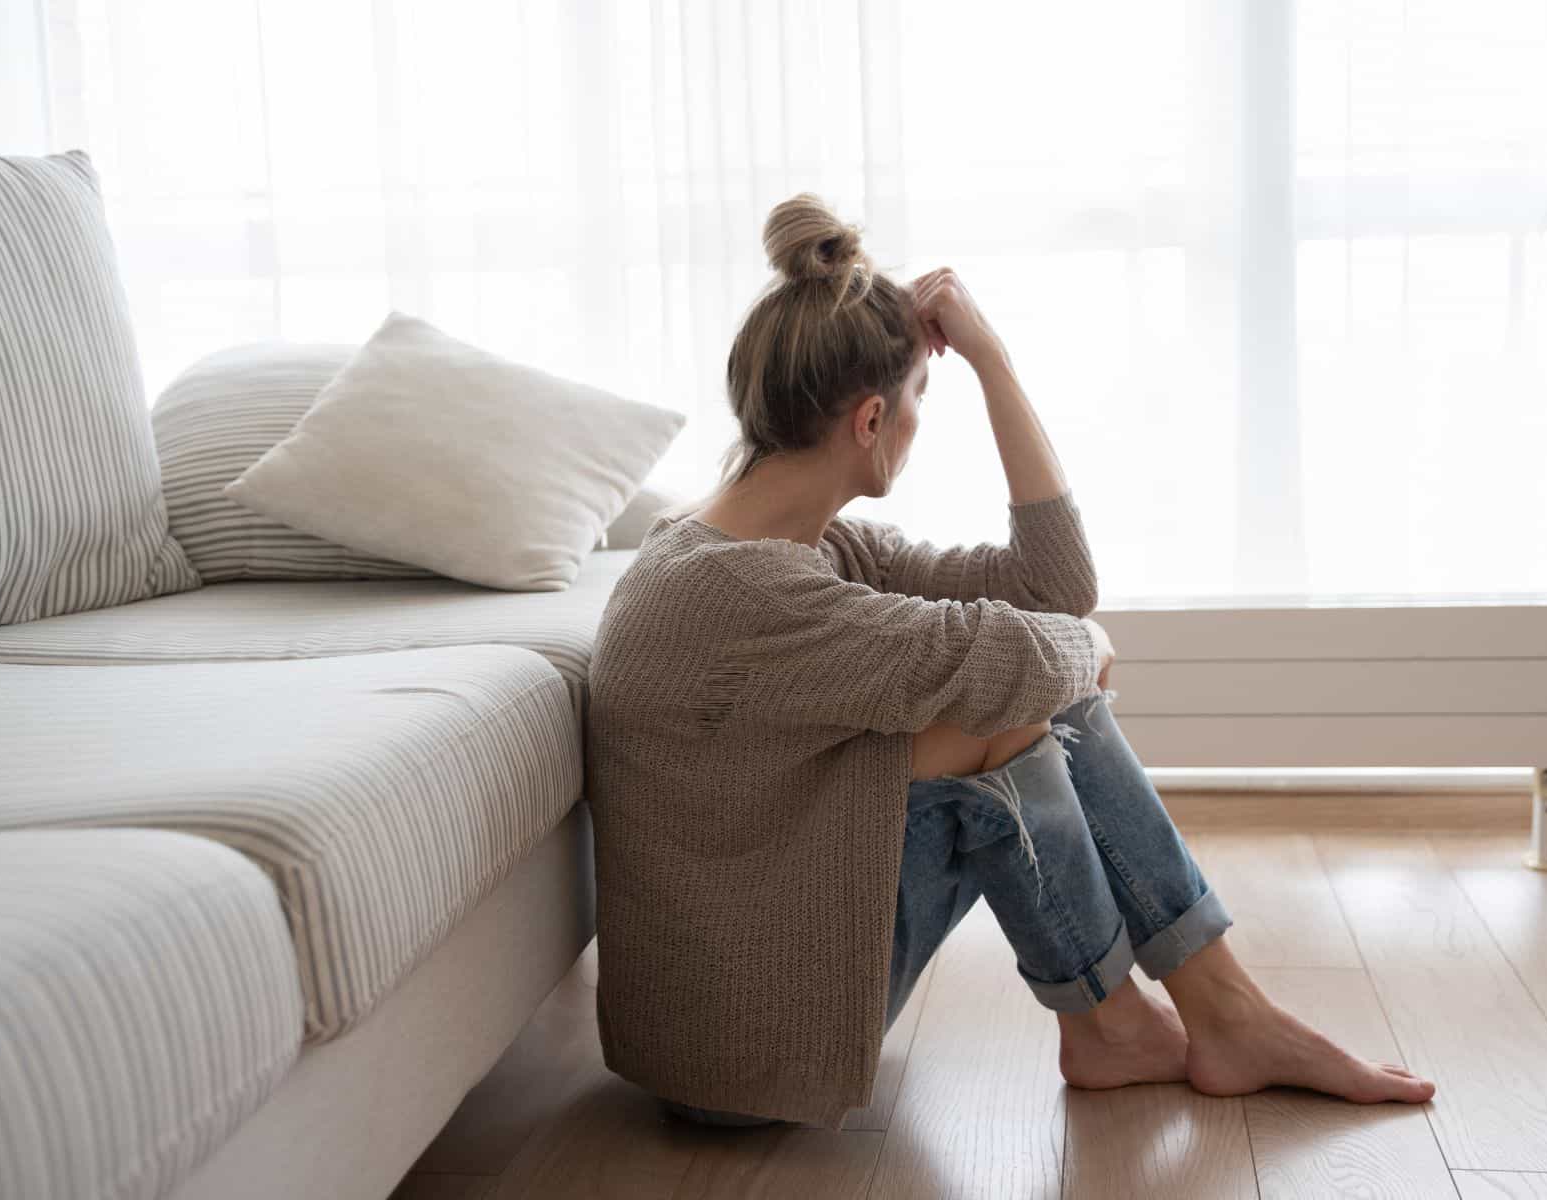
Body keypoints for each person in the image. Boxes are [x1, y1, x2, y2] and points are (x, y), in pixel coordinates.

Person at [585, 193, 1434, 1129]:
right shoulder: (746, 598)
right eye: (920, 400)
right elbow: (1043, 647)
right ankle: (1186, 1017)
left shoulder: (790, 551)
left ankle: (1146, 1023)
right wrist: (1092, 650)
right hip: (746, 1049)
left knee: (1016, 695)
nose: (918, 423)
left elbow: (1053, 583)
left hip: (730, 1007)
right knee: (1016, 705)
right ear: (871, 421)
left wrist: (993, 364)